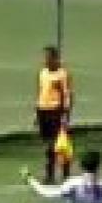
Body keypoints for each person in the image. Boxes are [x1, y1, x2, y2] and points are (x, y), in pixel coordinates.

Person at [34, 46, 74, 183]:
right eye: (44, 57)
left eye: (48, 57)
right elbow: (40, 91)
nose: (45, 60)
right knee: (48, 145)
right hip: (43, 110)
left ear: (55, 59)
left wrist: (65, 115)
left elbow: (67, 95)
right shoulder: (43, 72)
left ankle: (65, 174)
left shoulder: (62, 74)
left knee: (60, 144)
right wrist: (36, 112)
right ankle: (49, 174)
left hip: (55, 111)